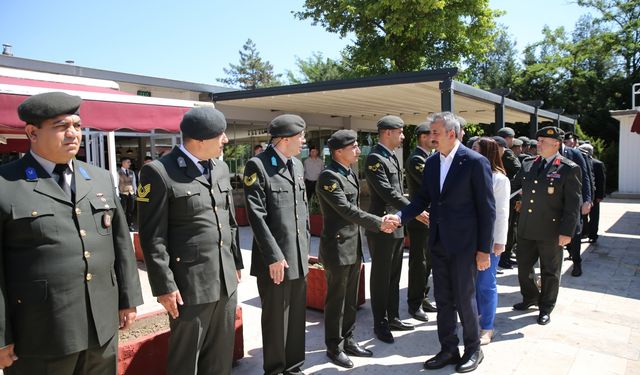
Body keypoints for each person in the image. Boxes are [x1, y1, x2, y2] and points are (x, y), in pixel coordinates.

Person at [0, 92, 143, 374]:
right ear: (32, 133)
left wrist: (128, 300)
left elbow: (121, 244)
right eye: (61, 126)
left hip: (101, 326)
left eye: (77, 126)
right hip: (43, 333)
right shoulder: (7, 184)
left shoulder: (99, 177)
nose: (72, 134)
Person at [137, 107, 243, 375]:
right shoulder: (159, 172)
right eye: (220, 135)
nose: (225, 140)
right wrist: (163, 286)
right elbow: (152, 236)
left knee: (220, 356)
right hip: (189, 285)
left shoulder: (219, 168)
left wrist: (235, 263)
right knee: (186, 360)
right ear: (199, 140)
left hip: (225, 279)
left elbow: (228, 220)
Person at [391, 111, 496, 373]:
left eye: (435, 132)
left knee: (465, 299)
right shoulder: (432, 163)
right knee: (444, 299)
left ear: (451, 133)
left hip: (465, 246)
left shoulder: (474, 162)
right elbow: (421, 199)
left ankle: (473, 349)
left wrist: (484, 250)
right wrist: (400, 216)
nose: (430, 136)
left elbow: (487, 210)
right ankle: (448, 348)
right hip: (438, 243)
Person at [316, 130, 395, 368]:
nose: (358, 151)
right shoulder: (329, 177)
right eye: (354, 147)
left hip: (352, 245)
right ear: (339, 151)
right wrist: (379, 222)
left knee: (350, 300)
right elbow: (347, 211)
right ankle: (334, 346)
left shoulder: (347, 172)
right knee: (336, 301)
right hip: (337, 247)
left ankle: (348, 339)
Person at [243, 114, 309, 375]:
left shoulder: (297, 165)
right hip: (275, 260)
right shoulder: (258, 166)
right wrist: (273, 256)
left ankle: (294, 367)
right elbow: (256, 216)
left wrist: (306, 252)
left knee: (295, 319)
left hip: (298, 255)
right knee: (276, 320)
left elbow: (300, 212)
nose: (303, 141)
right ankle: (275, 369)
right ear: (283, 140)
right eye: (300, 137)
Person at [512, 126, 581, 325]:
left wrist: (567, 232)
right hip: (526, 226)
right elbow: (514, 186)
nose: (538, 145)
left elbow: (572, 205)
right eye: (538, 141)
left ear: (556, 144)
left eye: (542, 142)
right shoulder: (528, 163)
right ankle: (530, 297)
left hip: (551, 230)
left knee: (550, 271)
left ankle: (546, 307)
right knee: (524, 268)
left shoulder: (568, 167)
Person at [364, 115, 425, 344]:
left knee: (394, 275)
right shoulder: (375, 159)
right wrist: (415, 210)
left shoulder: (392, 157)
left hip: (397, 223)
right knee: (381, 276)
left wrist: (408, 214)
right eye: (399, 132)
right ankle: (380, 323)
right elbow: (388, 192)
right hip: (382, 225)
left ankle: (393, 317)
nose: (402, 136)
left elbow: (398, 191)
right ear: (387, 132)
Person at [471, 138, 510, 345]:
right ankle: (475, 316)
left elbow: (502, 213)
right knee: (474, 283)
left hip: (490, 240)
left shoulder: (499, 179)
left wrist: (499, 242)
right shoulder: (472, 174)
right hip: (470, 239)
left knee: (486, 284)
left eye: (476, 148)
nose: (472, 151)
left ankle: (487, 327)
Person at [405, 121, 437, 322]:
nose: (435, 138)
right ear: (423, 137)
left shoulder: (429, 157)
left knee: (429, 260)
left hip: (430, 217)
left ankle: (423, 296)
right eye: (431, 134)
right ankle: (414, 303)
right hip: (419, 218)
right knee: (419, 261)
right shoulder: (417, 159)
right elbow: (431, 182)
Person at [560, 131, 592, 277]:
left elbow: (585, 177)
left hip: (574, 199)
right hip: (555, 201)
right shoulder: (545, 155)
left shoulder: (574, 154)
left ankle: (577, 262)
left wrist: (587, 200)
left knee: (575, 232)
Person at [578, 144, 606, 242]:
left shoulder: (597, 164)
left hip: (594, 194)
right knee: (585, 216)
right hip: (585, 194)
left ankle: (592, 234)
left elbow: (601, 181)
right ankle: (586, 233)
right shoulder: (580, 163)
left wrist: (600, 196)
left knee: (593, 216)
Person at [118, 156, 137, 231]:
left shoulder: (131, 172)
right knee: (123, 211)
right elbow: (116, 183)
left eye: (130, 162)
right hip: (122, 194)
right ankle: (123, 226)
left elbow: (134, 183)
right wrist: (117, 194)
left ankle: (129, 225)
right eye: (128, 162)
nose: (130, 163)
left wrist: (135, 193)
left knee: (130, 210)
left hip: (131, 193)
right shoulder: (118, 172)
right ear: (123, 163)